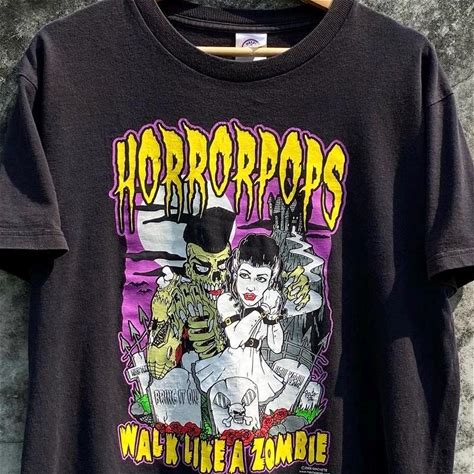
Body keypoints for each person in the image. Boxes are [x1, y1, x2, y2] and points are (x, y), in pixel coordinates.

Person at [193, 234, 285, 405]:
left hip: (256, 368)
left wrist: (273, 315)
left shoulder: (266, 306)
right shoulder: (227, 300)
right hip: (229, 366)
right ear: (235, 273)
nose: (251, 286)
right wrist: (264, 309)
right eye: (245, 275)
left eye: (261, 279)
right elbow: (235, 339)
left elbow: (276, 347)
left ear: (271, 281)